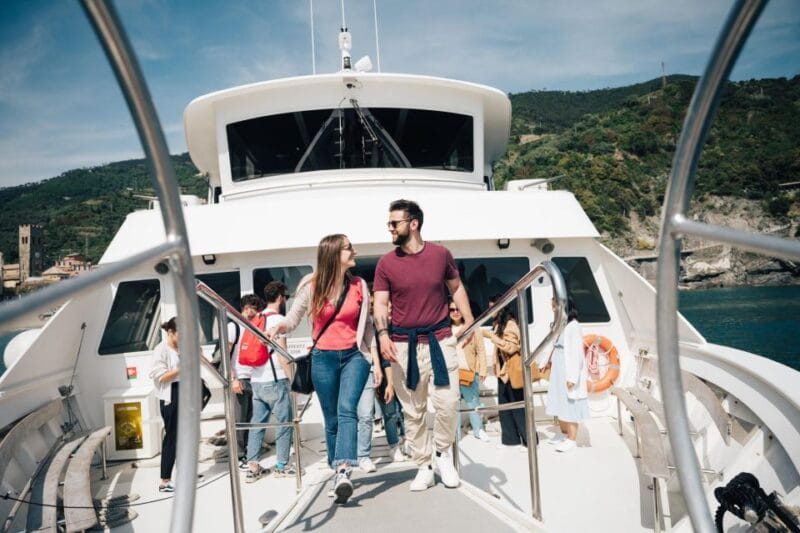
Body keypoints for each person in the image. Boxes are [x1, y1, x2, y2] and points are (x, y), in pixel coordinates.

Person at [373, 199, 476, 492]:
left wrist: (468, 318)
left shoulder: (441, 254)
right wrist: (382, 335)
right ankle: (423, 464)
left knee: (448, 402)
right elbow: (380, 303)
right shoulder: (386, 264)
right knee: (413, 410)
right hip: (403, 345)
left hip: (440, 339)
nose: (390, 228)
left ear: (413, 224)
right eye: (389, 223)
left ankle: (442, 454)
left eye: (395, 223)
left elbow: (455, 287)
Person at [269, 234, 375, 505]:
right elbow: (292, 320)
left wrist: (373, 358)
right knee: (332, 418)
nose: (354, 250)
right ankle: (336, 470)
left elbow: (369, 325)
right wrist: (277, 326)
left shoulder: (359, 285)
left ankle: (343, 470)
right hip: (322, 358)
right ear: (333, 254)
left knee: (347, 409)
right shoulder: (311, 286)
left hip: (354, 356)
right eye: (348, 247)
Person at [244, 281, 295, 482]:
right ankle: (281, 466)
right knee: (284, 423)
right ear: (281, 297)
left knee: (257, 424)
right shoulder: (280, 320)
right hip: (276, 379)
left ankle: (253, 466)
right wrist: (293, 378)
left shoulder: (256, 318)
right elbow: (282, 355)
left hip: (256, 379)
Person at [149, 317, 204, 492]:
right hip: (171, 394)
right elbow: (160, 376)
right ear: (171, 332)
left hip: (186, 391)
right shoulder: (161, 350)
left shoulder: (183, 347)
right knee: (172, 437)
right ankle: (165, 480)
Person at [543, 297, 589, 453]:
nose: (552, 308)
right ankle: (563, 435)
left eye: (554, 306)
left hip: (568, 369)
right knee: (559, 401)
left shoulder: (573, 326)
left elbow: (576, 354)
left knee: (570, 404)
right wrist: (546, 362)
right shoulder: (560, 325)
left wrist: (572, 378)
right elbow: (553, 346)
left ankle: (572, 439)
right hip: (558, 367)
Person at [483, 302, 527, 450]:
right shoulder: (499, 324)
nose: (490, 310)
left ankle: (529, 441)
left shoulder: (510, 324)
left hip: (512, 372)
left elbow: (512, 347)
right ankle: (510, 440)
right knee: (505, 407)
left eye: (492, 307)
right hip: (503, 373)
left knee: (518, 407)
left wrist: (492, 337)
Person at [228, 294, 264, 469]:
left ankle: (251, 452)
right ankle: (239, 456)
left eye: (256, 309)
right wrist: (233, 379)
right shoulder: (234, 326)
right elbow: (226, 354)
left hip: (255, 377)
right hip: (240, 378)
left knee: (252, 418)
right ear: (244, 308)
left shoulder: (257, 326)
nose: (253, 312)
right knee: (240, 420)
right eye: (251, 308)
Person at [450, 301, 489, 442]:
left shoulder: (473, 328)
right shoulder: (445, 330)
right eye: (452, 309)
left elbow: (481, 350)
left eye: (458, 308)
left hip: (469, 372)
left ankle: (479, 430)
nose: (455, 312)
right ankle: (455, 434)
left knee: (473, 403)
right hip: (451, 374)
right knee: (453, 405)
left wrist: (483, 370)